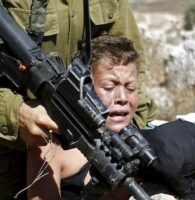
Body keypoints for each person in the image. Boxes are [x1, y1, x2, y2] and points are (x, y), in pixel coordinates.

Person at [0, 0, 157, 199]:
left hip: (81, 140)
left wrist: (127, 137)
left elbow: (128, 63)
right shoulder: (49, 153)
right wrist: (14, 113)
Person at [26, 34, 140, 200]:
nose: (122, 97)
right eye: (109, 87)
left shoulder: (139, 147)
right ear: (84, 90)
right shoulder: (50, 149)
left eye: (131, 88)